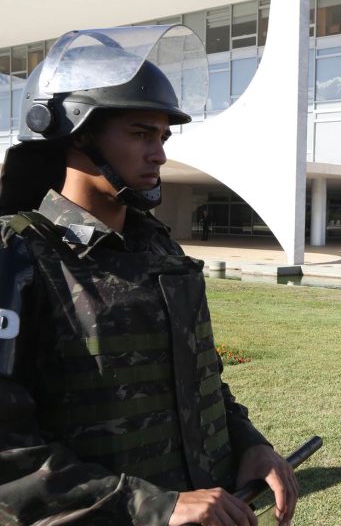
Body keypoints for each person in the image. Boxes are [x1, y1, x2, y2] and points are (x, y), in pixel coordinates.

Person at [0, 27, 297, 525]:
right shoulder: (18, 257)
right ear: (75, 135)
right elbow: (8, 454)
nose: (159, 153)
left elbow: (197, 377)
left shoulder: (158, 247)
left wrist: (248, 443)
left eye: (162, 136)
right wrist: (155, 506)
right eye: (140, 134)